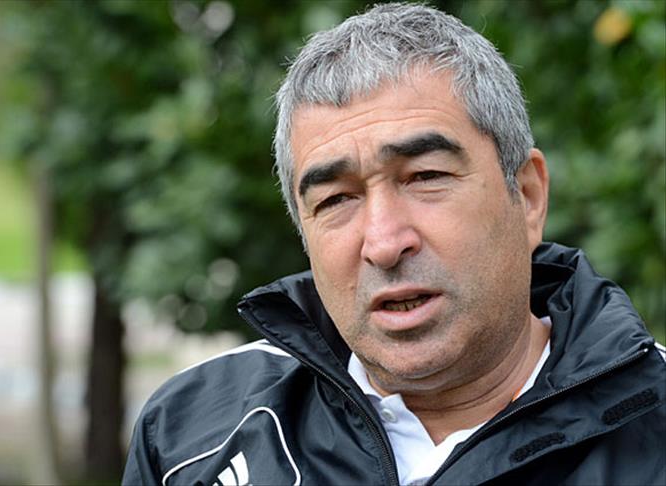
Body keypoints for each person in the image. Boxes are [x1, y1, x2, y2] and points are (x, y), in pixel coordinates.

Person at [123, 3, 665, 485]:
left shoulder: (651, 426)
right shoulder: (190, 437)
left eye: (425, 176)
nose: (384, 244)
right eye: (336, 199)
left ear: (526, 196)